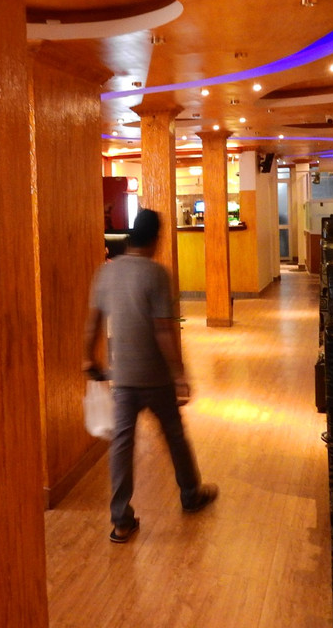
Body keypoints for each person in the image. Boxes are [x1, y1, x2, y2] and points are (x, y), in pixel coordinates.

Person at [83, 208, 218, 543]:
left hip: (123, 377)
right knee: (174, 435)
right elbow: (163, 330)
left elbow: (93, 322)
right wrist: (179, 374)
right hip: (155, 377)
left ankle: (121, 521)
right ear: (156, 239)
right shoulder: (157, 273)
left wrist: (87, 358)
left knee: (122, 446)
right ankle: (190, 494)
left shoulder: (106, 272)